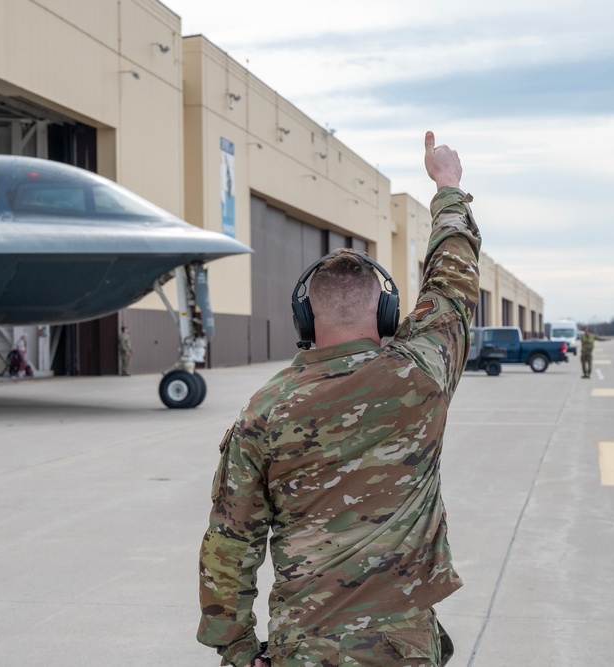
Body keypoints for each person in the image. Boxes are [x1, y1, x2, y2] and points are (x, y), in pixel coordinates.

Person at [197, 131, 480, 667]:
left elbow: (230, 545)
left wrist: (236, 652)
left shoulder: (264, 411)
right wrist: (448, 187)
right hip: (403, 650)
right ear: (387, 316)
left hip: (303, 650)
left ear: (305, 319)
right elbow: (453, 286)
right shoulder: (420, 373)